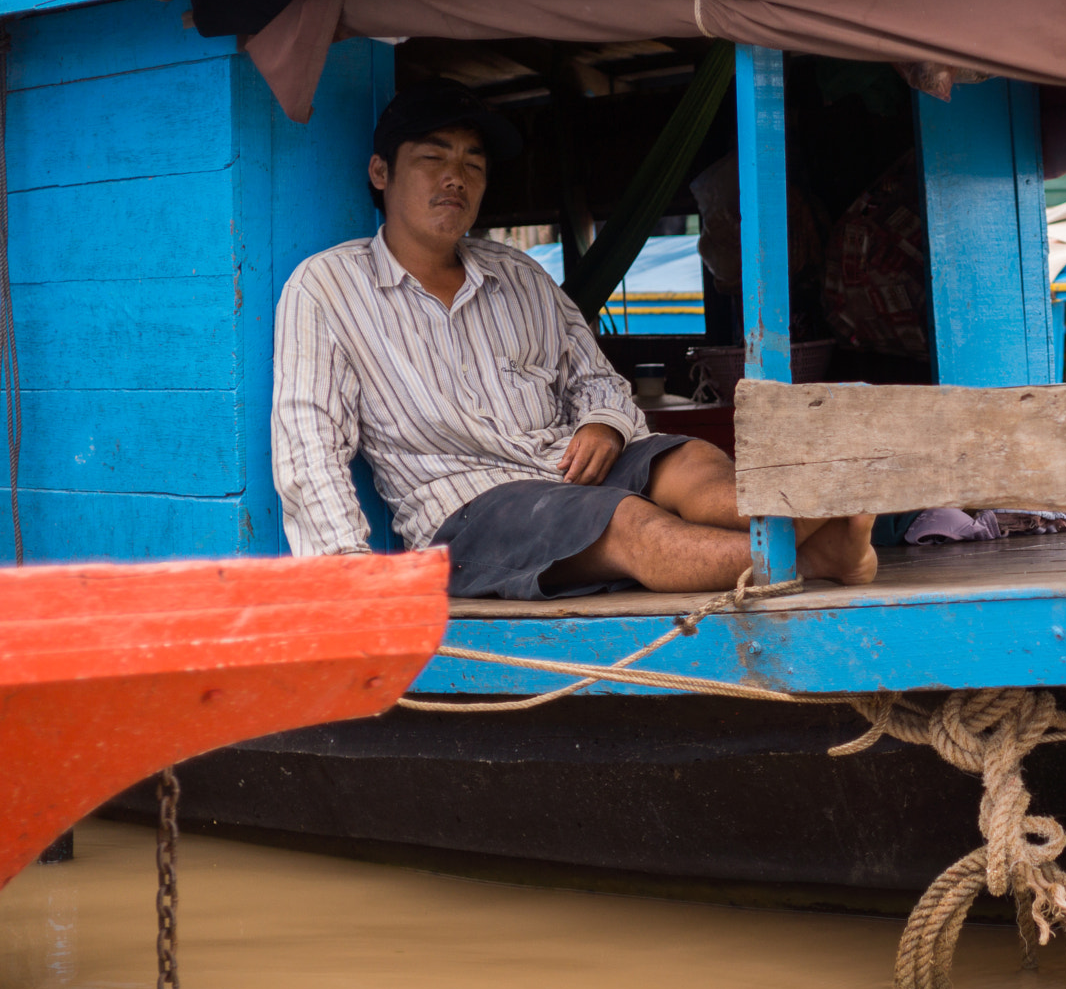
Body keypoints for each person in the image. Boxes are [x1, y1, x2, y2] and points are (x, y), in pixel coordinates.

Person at [271, 77, 876, 598]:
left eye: (473, 164)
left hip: (565, 468)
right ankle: (813, 546)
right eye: (434, 157)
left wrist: (605, 423)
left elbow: (596, 378)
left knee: (687, 459)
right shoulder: (327, 287)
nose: (455, 177)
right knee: (624, 522)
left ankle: (816, 521)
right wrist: (345, 573)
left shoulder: (520, 274)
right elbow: (309, 443)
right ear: (381, 171)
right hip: (467, 512)